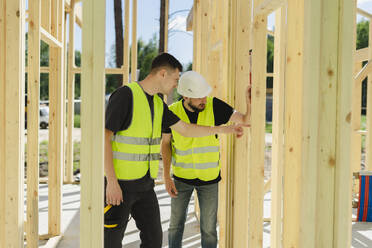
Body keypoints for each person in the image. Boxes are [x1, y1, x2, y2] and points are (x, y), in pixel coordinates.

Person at [104, 53, 244, 248]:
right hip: (120, 185)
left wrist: (223, 129)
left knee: (153, 240)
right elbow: (104, 137)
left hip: (145, 186)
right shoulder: (126, 95)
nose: (177, 86)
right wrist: (111, 181)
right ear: (163, 74)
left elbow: (186, 129)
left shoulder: (158, 104)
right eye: (176, 79)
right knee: (110, 241)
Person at [161, 71, 251, 248]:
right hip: (181, 178)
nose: (204, 100)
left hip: (209, 180)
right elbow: (165, 144)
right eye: (198, 97)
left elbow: (245, 120)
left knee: (209, 229)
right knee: (175, 226)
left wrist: (249, 104)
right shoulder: (171, 112)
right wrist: (166, 176)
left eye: (204, 95)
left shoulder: (214, 106)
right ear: (186, 96)